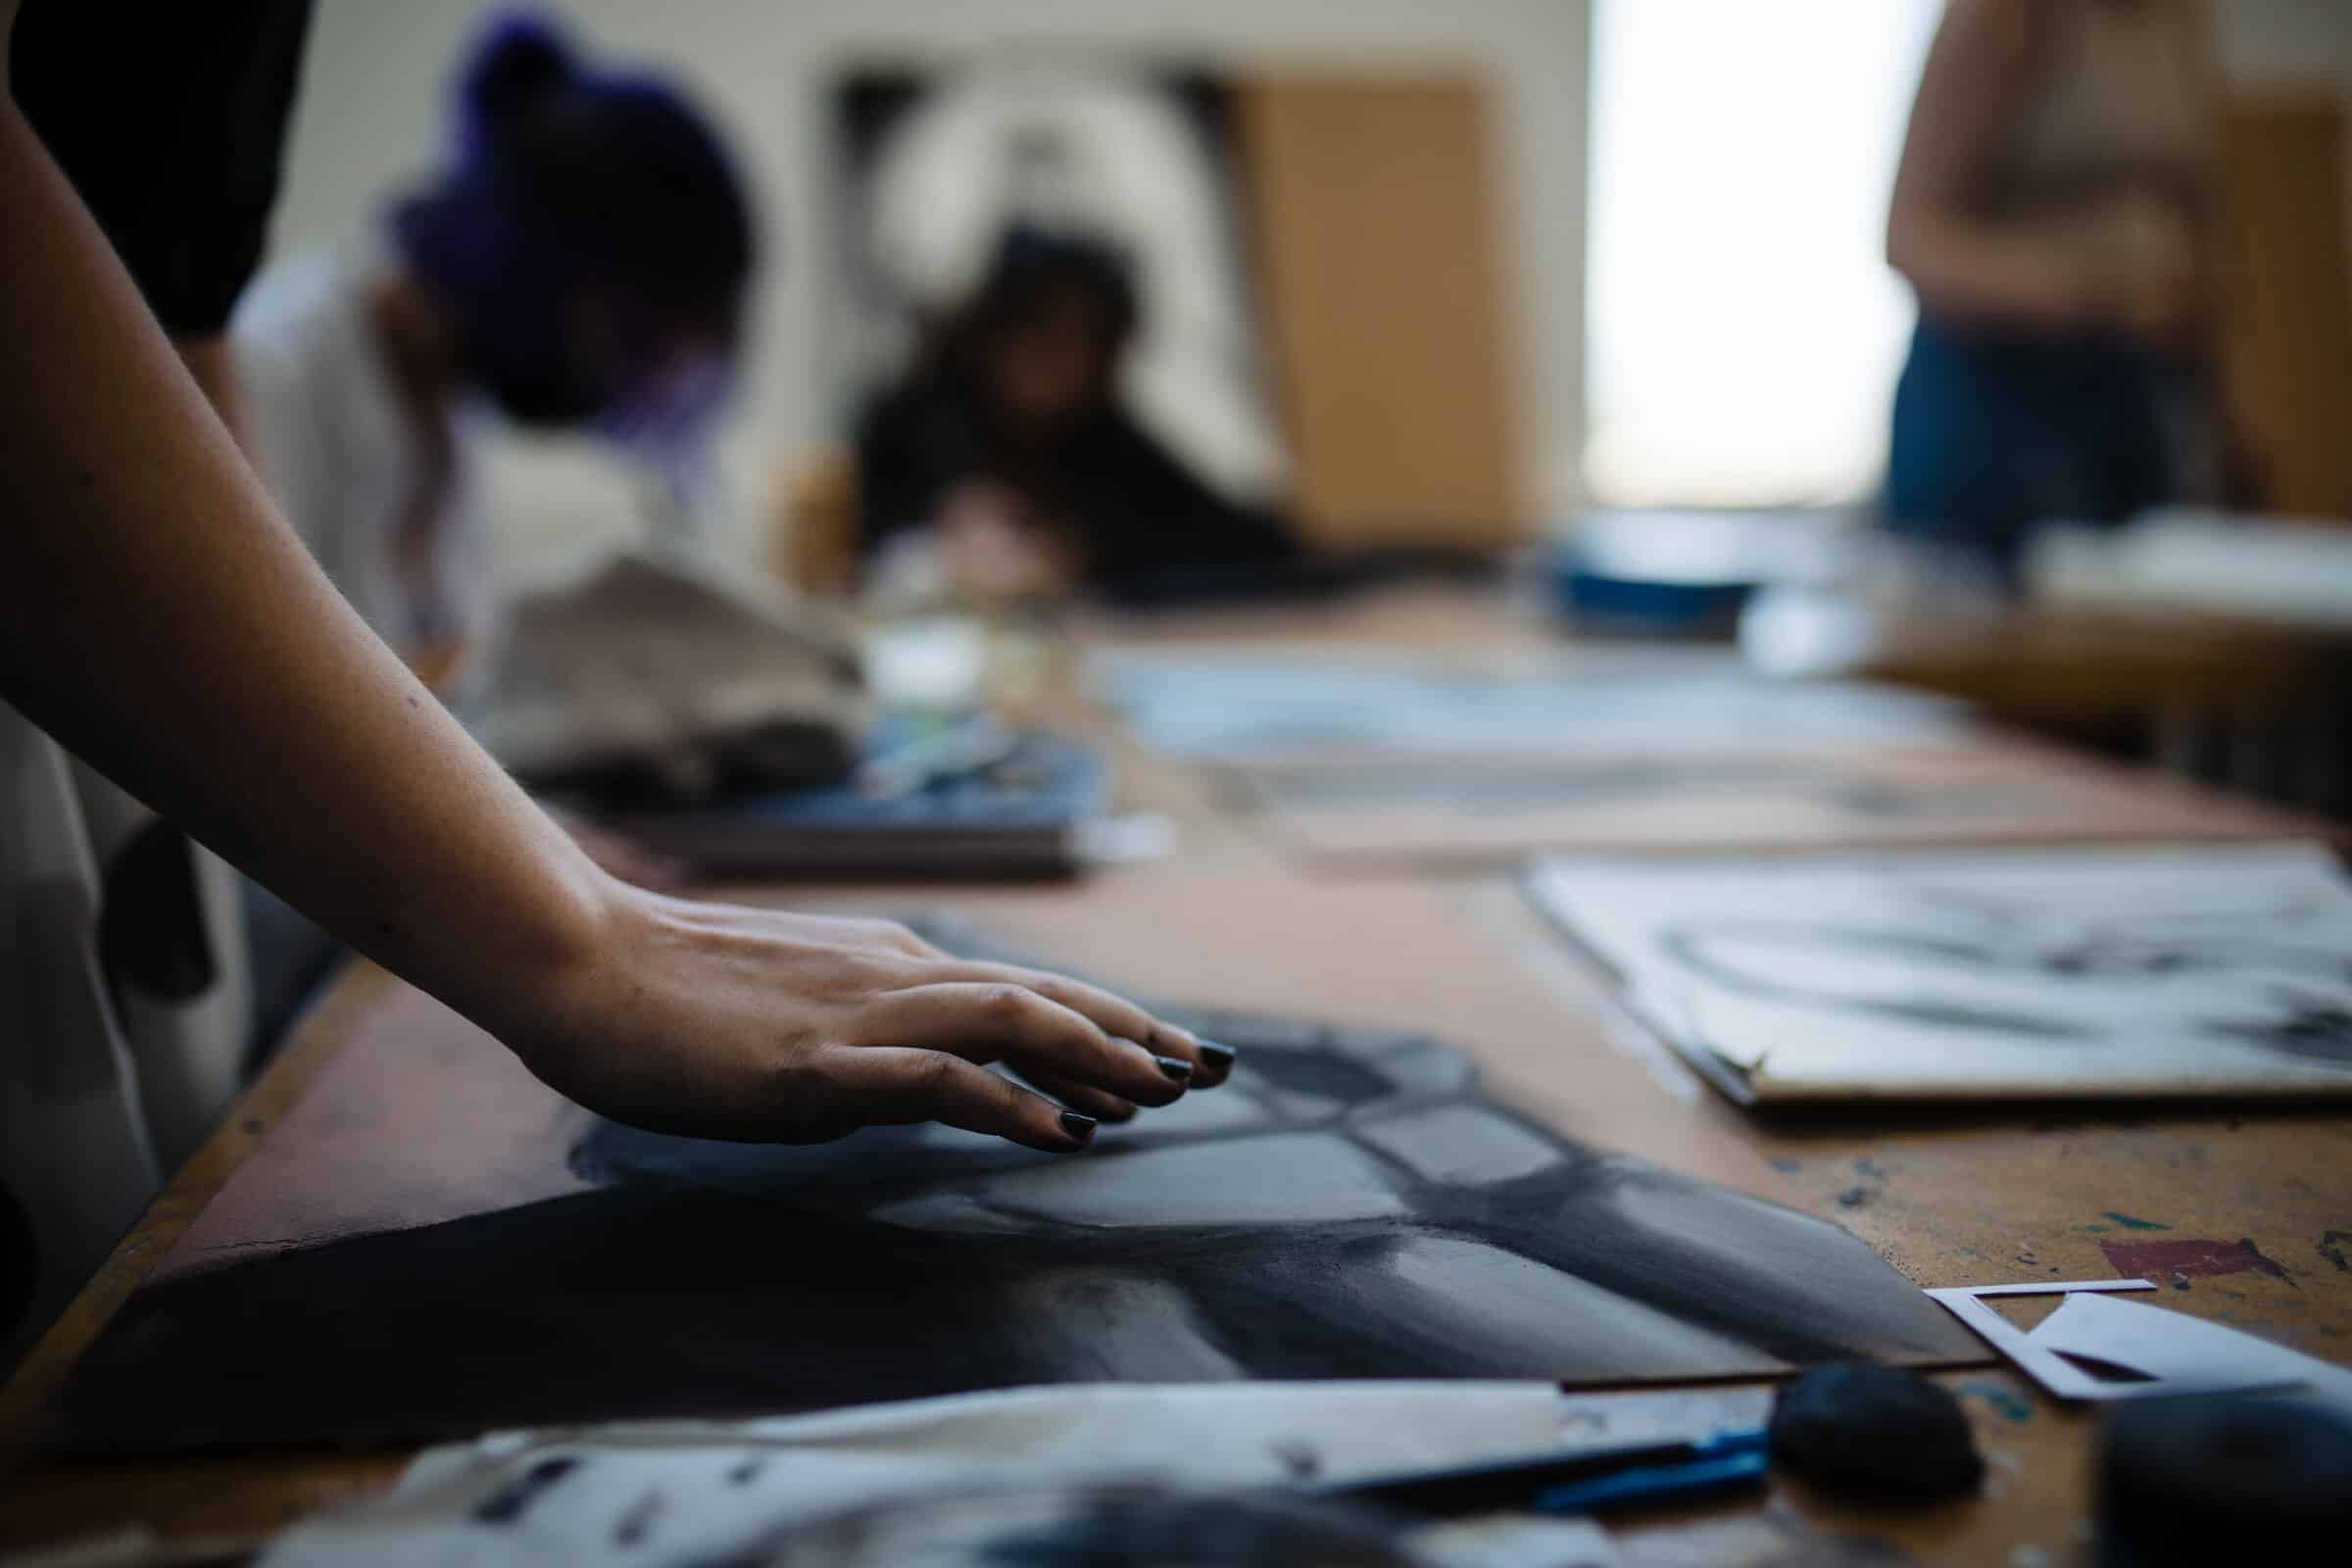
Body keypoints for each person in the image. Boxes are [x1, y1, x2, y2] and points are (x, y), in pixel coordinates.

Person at [0, 0, 1228, 1363]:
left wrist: (552, 868)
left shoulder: (426, 429)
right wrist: (581, 943)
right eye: (638, 336)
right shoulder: (289, 363)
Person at [234, 16, 753, 681]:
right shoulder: (273, 369)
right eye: (623, 344)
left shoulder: (439, 407)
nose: (612, 386)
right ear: (535, 263)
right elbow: (268, 698)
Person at [1884, 0, 2233, 575]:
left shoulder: (2178, 20)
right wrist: (2098, 293)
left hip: (2132, 389)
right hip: (2001, 403)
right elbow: (1910, 240)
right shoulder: (2000, 16)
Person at [855, 224, 1299, 605]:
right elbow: (857, 561)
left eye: (1092, 346)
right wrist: (930, 556)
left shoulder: (1101, 436)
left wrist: (1086, 552)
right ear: (992, 336)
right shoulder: (913, 429)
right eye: (1046, 339)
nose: (1067, 367)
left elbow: (1249, 546)